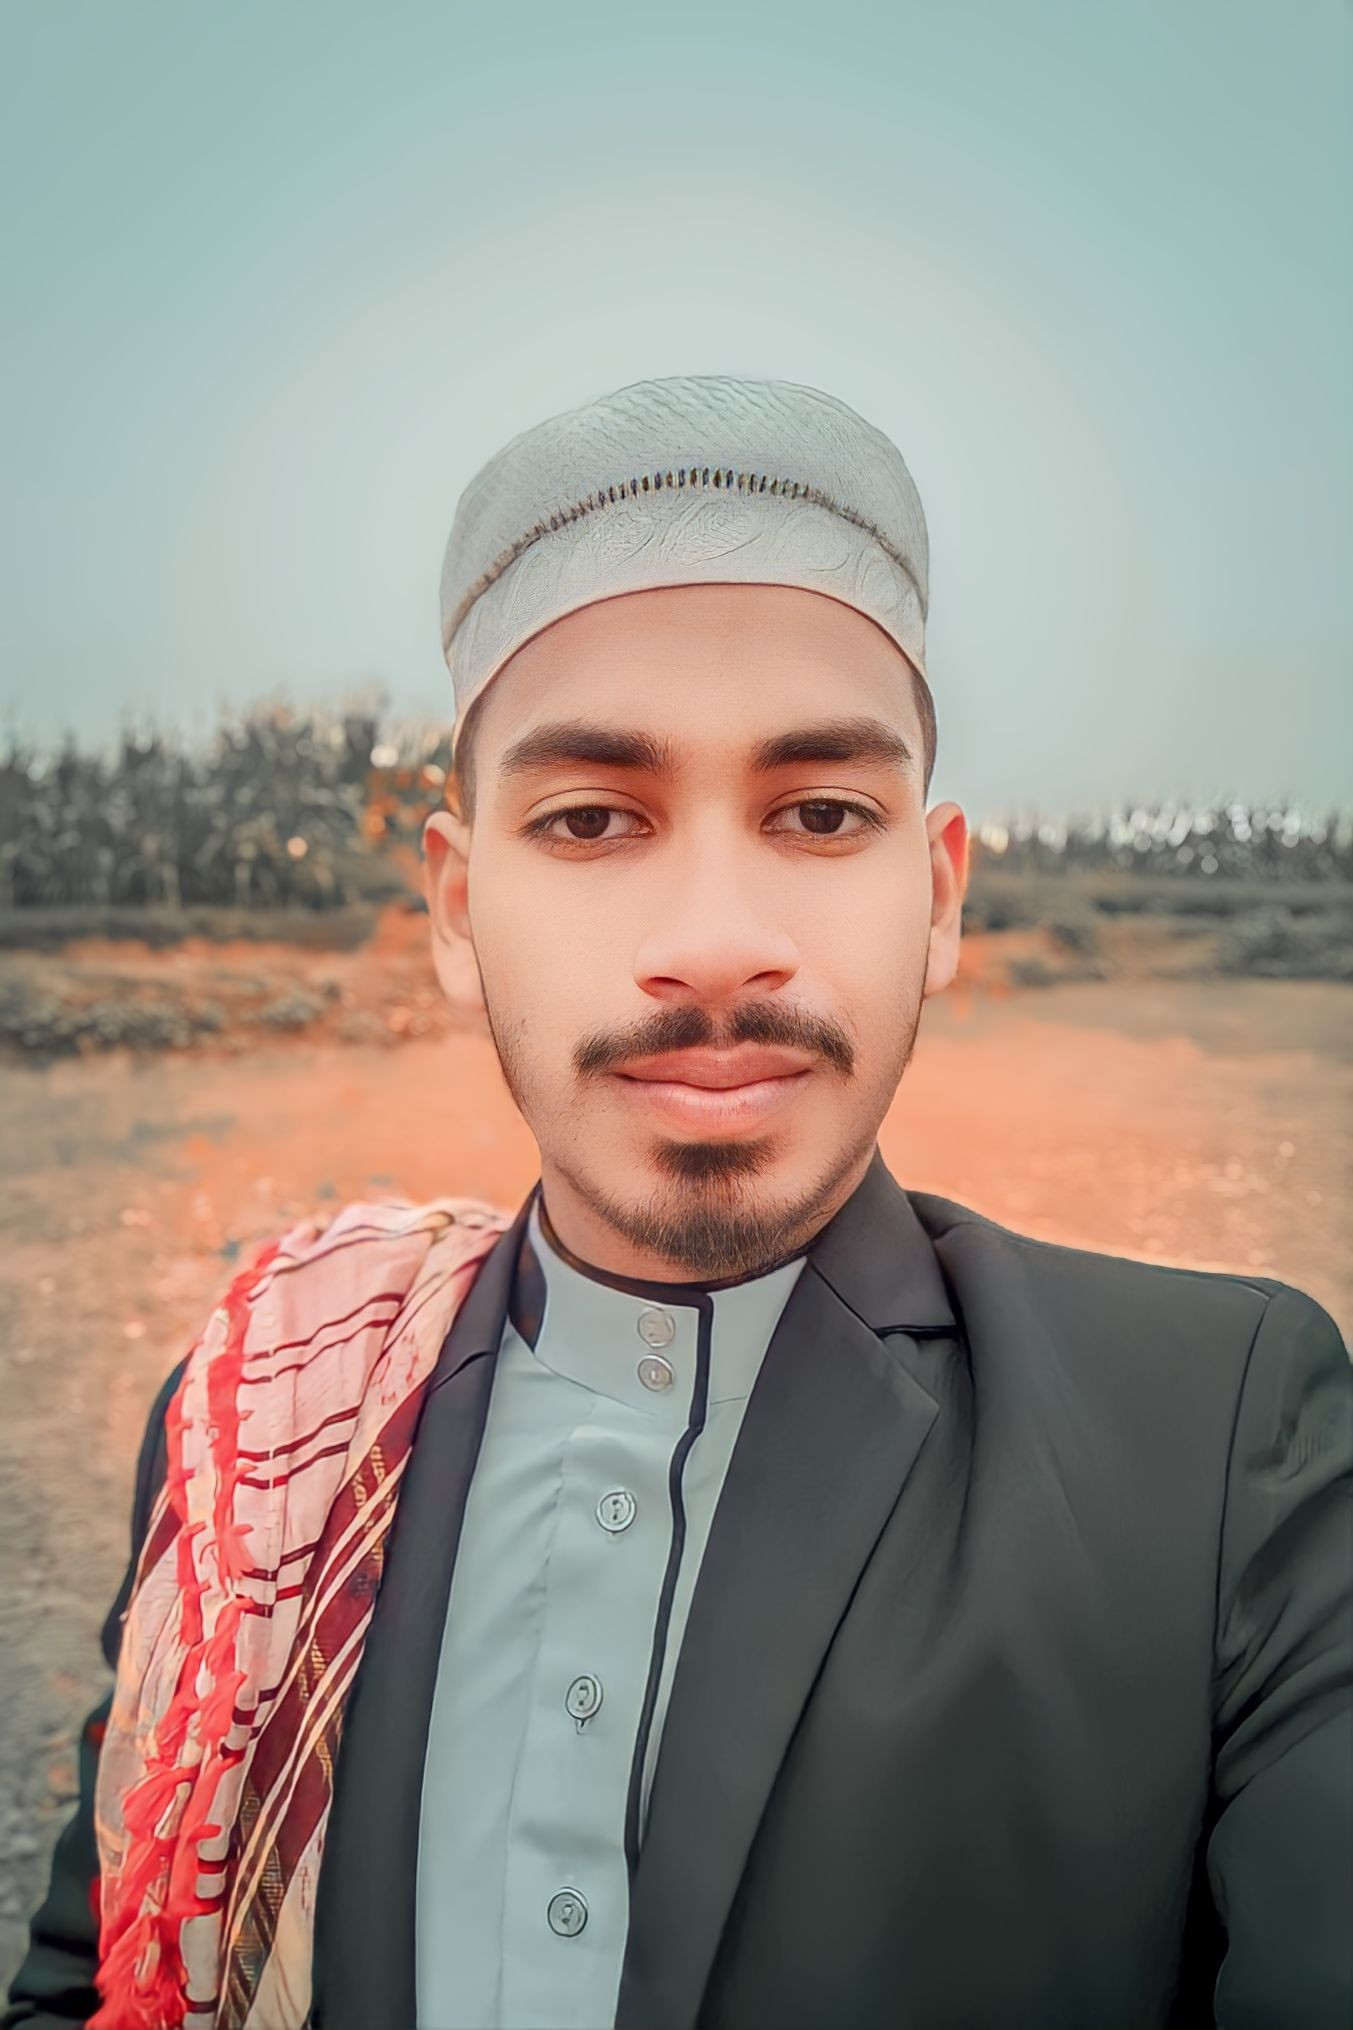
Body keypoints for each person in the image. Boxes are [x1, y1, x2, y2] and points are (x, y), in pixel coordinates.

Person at [4, 374, 1350, 2030]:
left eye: (819, 814)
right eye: (589, 818)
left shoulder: (1217, 1448)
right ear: (456, 909)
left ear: (934, 898)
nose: (715, 940)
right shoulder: (262, 1427)